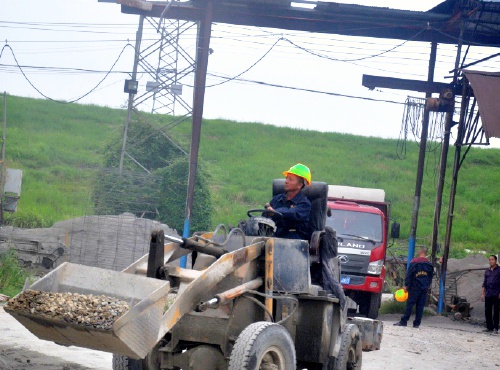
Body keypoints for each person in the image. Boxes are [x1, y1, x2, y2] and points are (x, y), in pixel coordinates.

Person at [265, 163, 313, 240]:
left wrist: (275, 212)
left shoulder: (305, 204)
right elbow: (265, 217)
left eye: (290, 179)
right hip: (275, 236)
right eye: (286, 178)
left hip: (295, 240)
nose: (286, 181)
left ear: (299, 185)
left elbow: (292, 213)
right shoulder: (277, 199)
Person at [394, 246, 434, 328]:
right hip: (423, 288)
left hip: (414, 288)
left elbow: (409, 275)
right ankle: (416, 324)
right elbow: (430, 277)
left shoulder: (414, 262)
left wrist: (407, 285)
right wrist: (427, 286)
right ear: (426, 253)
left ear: (419, 252)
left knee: (409, 305)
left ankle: (404, 321)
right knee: (420, 306)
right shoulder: (429, 265)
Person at [482, 255, 500, 334]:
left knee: (496, 311)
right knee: (487, 311)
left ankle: (495, 328)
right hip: (488, 293)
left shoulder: (499, 270)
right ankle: (489, 327)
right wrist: (483, 293)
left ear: (495, 261)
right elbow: (484, 283)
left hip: (496, 293)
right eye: (489, 260)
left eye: (492, 259)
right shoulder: (487, 271)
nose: (491, 261)